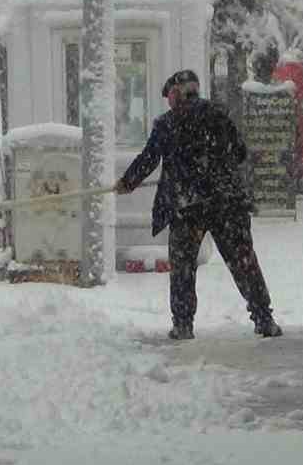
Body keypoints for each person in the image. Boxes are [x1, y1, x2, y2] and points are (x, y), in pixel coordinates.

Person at [115, 69, 280, 341]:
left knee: (183, 266)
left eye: (169, 95)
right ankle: (264, 318)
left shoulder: (167, 123)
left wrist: (127, 182)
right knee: (243, 260)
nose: (168, 101)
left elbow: (149, 159)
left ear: (178, 93)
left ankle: (183, 324)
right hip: (227, 202)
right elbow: (239, 152)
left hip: (188, 205)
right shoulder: (220, 114)